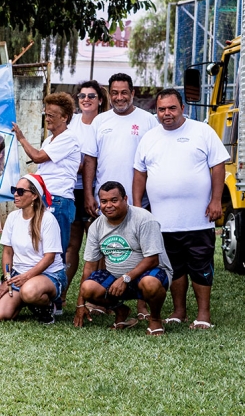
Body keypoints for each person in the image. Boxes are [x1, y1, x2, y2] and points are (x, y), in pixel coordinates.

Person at [133, 89, 228, 329]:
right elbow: (139, 174)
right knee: (174, 269)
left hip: (198, 219)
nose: (166, 113)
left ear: (182, 108)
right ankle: (179, 312)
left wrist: (216, 200)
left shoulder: (202, 131)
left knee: (201, 267)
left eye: (172, 108)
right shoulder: (149, 137)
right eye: (162, 109)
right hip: (162, 222)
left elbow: (218, 166)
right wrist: (137, 208)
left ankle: (204, 315)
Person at [73, 182, 173, 336]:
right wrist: (80, 304)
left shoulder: (144, 219)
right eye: (104, 201)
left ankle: (155, 319)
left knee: (150, 284)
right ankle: (120, 310)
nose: (108, 206)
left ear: (125, 199)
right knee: (88, 288)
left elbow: (153, 259)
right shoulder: (96, 226)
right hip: (115, 277)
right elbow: (90, 267)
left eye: (114, 200)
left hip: (149, 273)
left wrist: (126, 278)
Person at [12, 93, 80, 259]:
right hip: (46, 198)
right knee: (38, 249)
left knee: (54, 253)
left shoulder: (68, 138)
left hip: (58, 199)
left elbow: (37, 157)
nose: (47, 118)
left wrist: (21, 138)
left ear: (64, 117)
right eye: (46, 114)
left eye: (51, 115)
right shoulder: (49, 140)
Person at [0, 174, 66, 324]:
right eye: (14, 190)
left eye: (20, 191)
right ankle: (25, 301)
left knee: (29, 291)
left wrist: (26, 277)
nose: (15, 194)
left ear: (34, 196)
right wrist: (7, 278)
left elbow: (49, 258)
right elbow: (7, 252)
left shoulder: (48, 219)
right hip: (19, 275)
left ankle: (46, 306)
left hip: (49, 274)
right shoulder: (12, 217)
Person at [82, 73, 158, 214]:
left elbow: (156, 161)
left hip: (140, 202)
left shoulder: (148, 120)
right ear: (109, 94)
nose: (119, 97)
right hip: (105, 203)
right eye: (114, 93)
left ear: (132, 93)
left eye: (124, 93)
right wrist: (88, 195)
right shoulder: (99, 121)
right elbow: (90, 160)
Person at [63, 80, 108, 305]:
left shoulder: (105, 123)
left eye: (91, 96)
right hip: (73, 191)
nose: (86, 100)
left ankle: (95, 299)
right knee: (72, 245)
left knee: (99, 244)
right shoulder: (71, 126)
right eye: (82, 96)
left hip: (99, 191)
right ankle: (60, 296)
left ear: (100, 100)